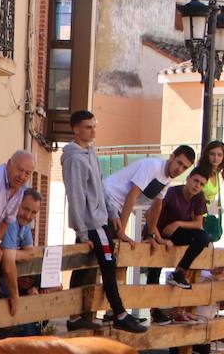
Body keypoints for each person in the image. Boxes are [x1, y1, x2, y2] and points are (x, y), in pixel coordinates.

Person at [60, 111, 148, 334]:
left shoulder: (91, 152)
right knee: (108, 267)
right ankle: (119, 314)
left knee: (84, 268)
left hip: (101, 220)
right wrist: (81, 231)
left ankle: (76, 316)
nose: (93, 131)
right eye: (88, 127)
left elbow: (101, 186)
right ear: (76, 129)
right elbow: (76, 195)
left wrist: (113, 213)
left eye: (94, 126)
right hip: (92, 225)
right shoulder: (74, 158)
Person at [107, 144, 196, 322]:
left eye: (185, 168)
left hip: (117, 208)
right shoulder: (152, 166)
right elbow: (131, 195)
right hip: (108, 200)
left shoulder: (166, 178)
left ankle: (115, 312)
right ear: (172, 157)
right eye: (179, 163)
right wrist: (122, 231)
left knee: (117, 258)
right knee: (110, 255)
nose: (179, 169)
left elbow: (157, 206)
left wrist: (153, 235)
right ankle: (112, 313)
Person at [153, 168, 210, 292]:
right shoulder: (171, 193)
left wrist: (178, 223)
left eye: (201, 184)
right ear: (188, 179)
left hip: (176, 232)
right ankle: (155, 309)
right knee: (154, 273)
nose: (197, 186)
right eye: (196, 181)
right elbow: (150, 216)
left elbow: (198, 224)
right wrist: (159, 239)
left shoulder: (199, 196)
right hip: (157, 232)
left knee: (203, 237)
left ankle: (179, 272)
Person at [0, 188, 44, 318]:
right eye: (25, 209)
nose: (28, 216)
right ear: (18, 204)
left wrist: (12, 254)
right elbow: (8, 266)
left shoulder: (24, 225)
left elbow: (31, 253)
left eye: (33, 212)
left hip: (6, 289)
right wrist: (15, 297)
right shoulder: (11, 222)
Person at [193, 140, 224, 244]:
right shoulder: (201, 172)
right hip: (197, 217)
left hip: (208, 216)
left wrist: (213, 217)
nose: (215, 158)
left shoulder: (217, 175)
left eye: (219, 155)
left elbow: (212, 198)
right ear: (207, 155)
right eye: (212, 154)